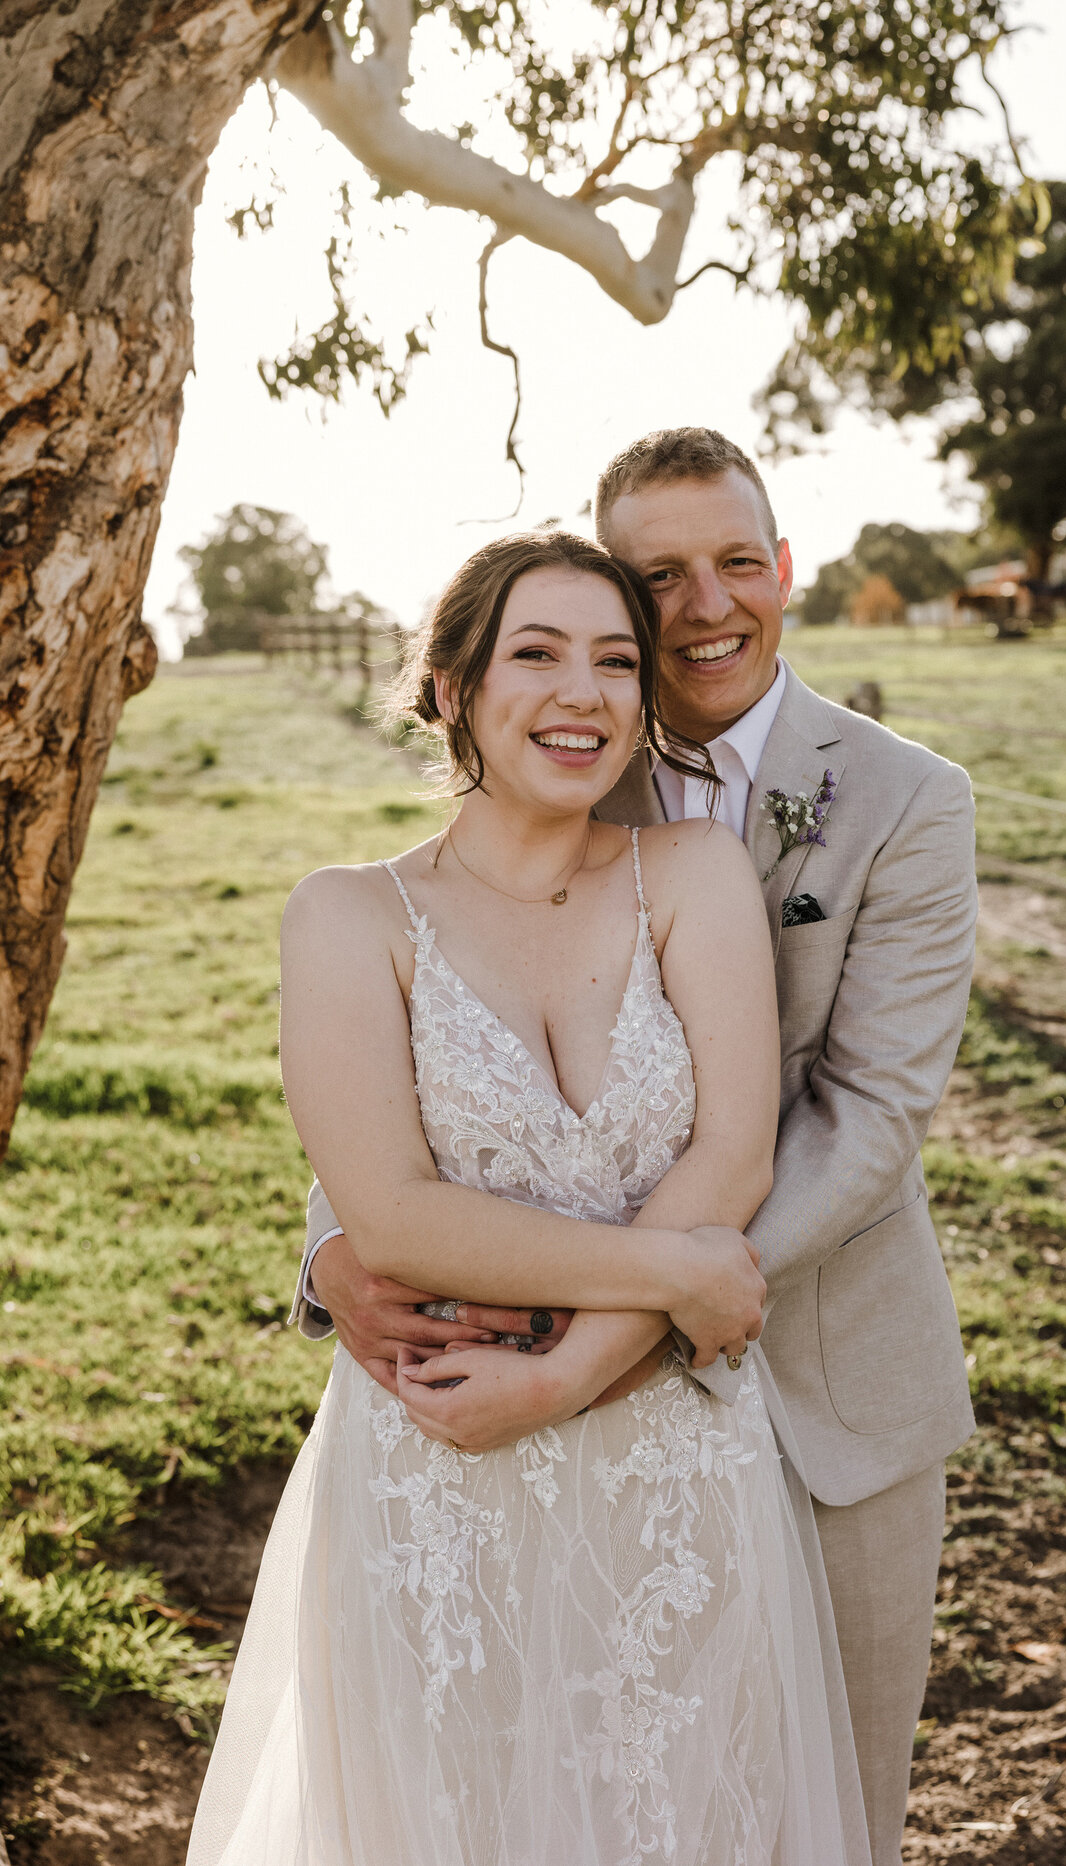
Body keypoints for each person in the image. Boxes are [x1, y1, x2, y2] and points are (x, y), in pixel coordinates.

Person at [285, 430, 980, 1864]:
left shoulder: (908, 797)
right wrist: (336, 1239)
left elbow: (865, 1117)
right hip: (516, 1407)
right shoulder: (570, 766)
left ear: (786, 571)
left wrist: (616, 1334)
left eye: (737, 562)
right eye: (658, 576)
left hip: (822, 1370)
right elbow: (433, 1056)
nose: (705, 603)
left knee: (817, 1806)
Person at [193, 530, 870, 1862]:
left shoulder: (688, 875)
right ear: (450, 688)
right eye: (537, 654)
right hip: (433, 1469)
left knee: (684, 1810)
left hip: (672, 1450)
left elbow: (732, 1158)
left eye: (618, 661)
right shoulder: (348, 917)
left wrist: (566, 1377)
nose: (585, 692)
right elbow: (388, 1210)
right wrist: (677, 1276)